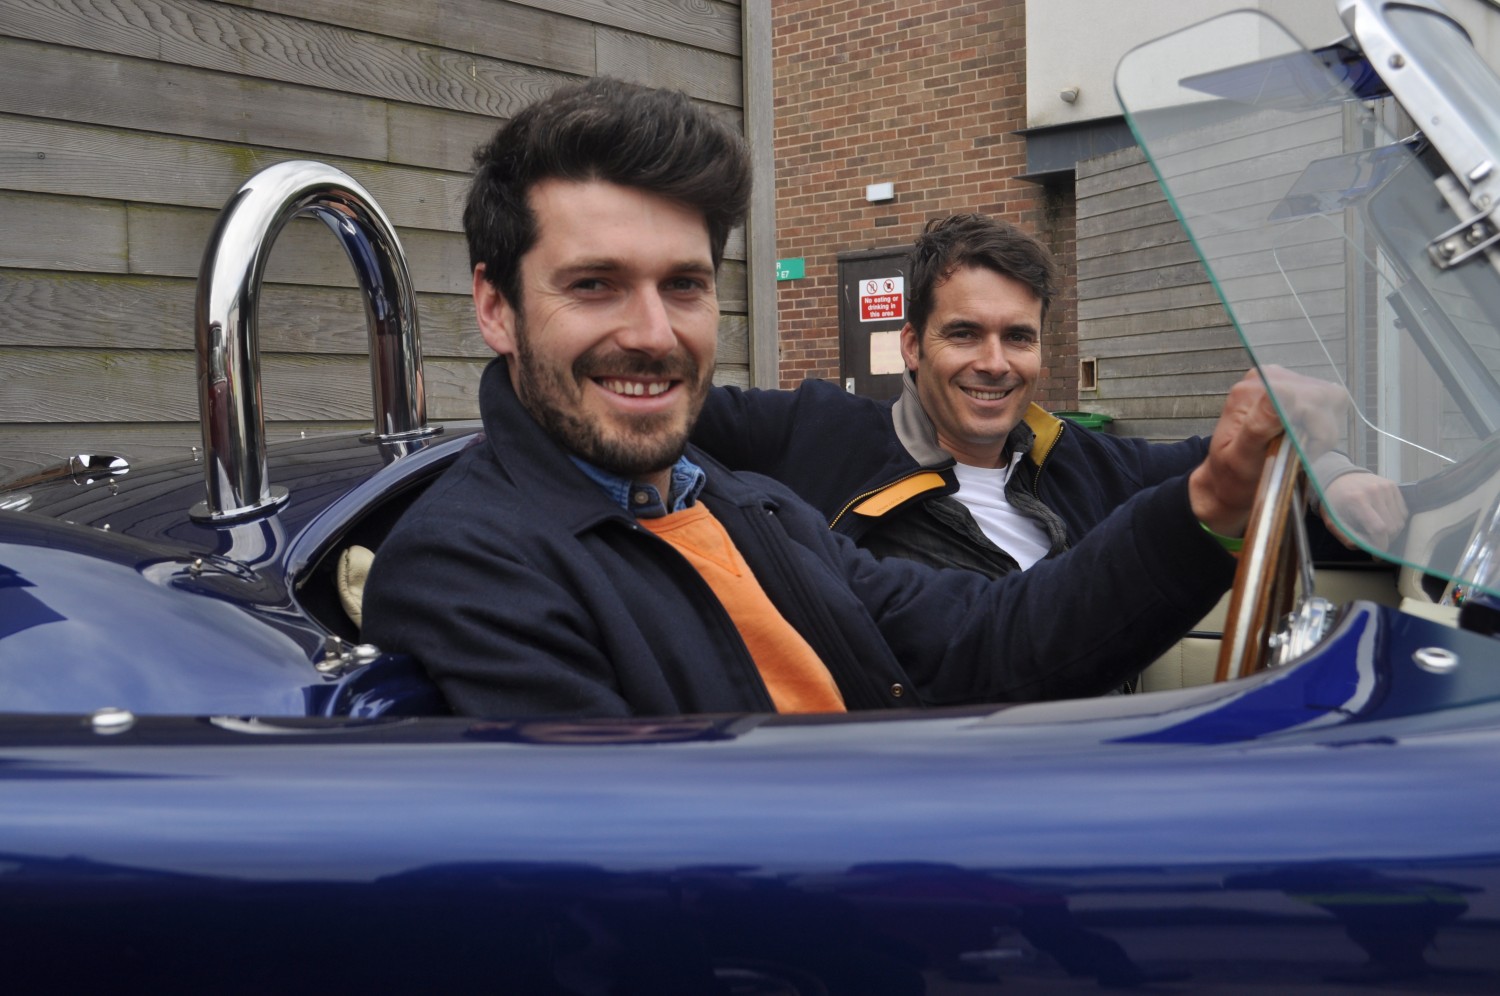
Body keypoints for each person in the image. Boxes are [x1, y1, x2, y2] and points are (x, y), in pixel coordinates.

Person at [360, 77, 1317, 720]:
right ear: (496, 306)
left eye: (684, 285)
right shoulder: (467, 566)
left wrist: (1212, 502)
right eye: (595, 284)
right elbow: (637, 884)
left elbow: (981, 640)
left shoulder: (743, 507)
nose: (653, 332)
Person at [693, 213, 1408, 580]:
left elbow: (1231, 468)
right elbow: (658, 417)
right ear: (912, 347)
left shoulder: (1085, 464)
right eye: (965, 334)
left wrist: (1334, 473)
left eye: (1019, 338)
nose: (995, 364)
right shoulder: (813, 434)